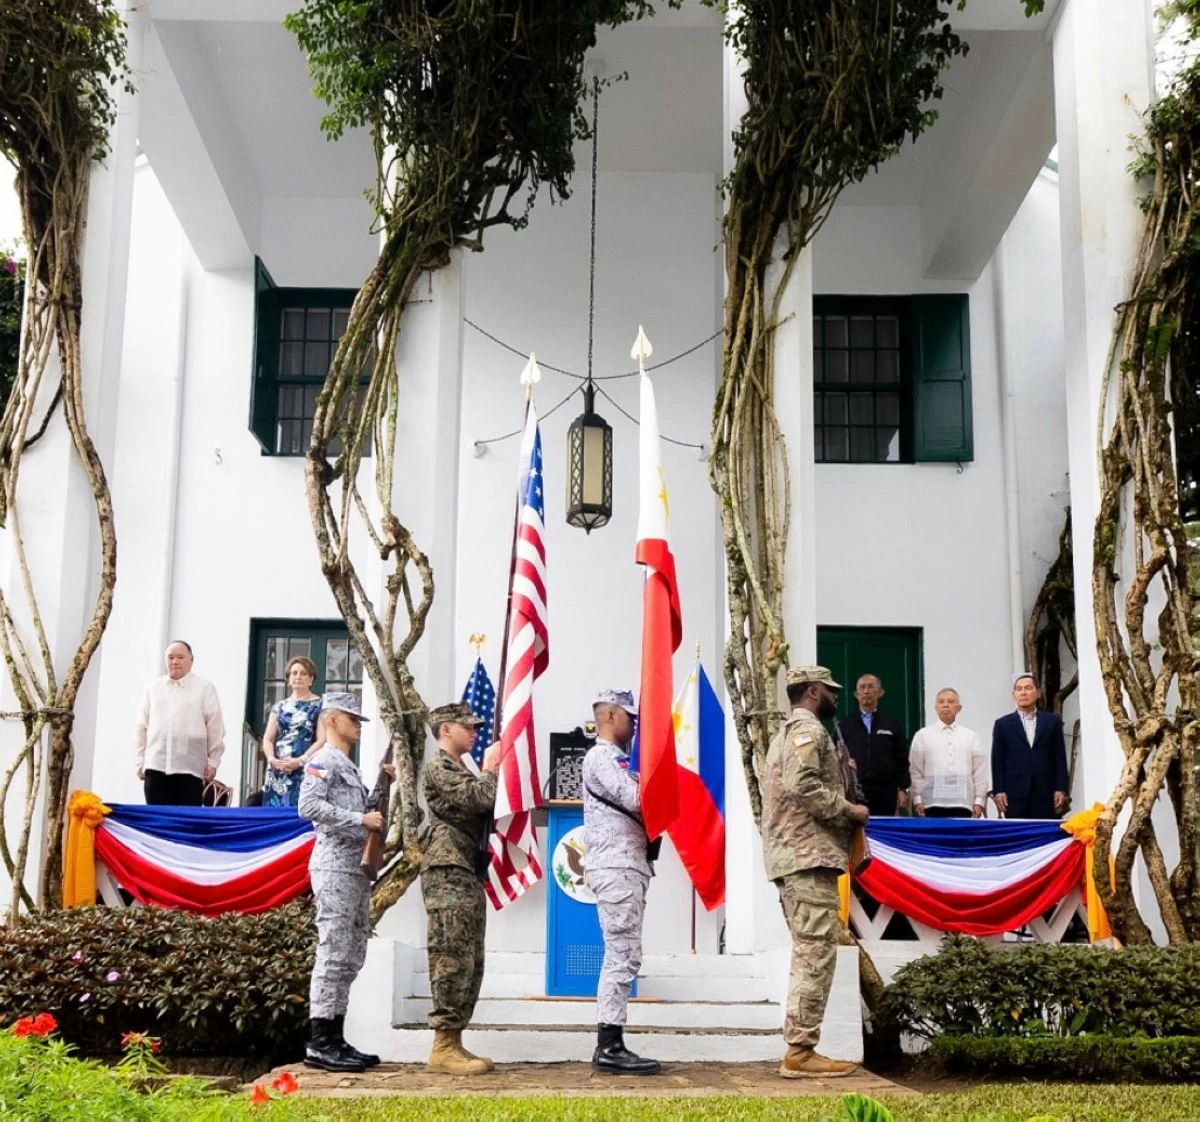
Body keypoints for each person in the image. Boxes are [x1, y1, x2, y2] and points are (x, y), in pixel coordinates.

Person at [763, 666, 868, 1079]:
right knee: (815, 954)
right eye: (829, 690)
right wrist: (849, 810)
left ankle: (801, 1046)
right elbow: (802, 784)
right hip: (806, 857)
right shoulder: (808, 732)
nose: (836, 697)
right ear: (811, 692)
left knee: (811, 951)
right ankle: (801, 1051)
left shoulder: (787, 733)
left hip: (797, 856)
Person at [298, 691, 393, 1073]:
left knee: (352, 953)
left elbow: (366, 809)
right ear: (332, 719)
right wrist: (359, 821)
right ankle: (320, 1040)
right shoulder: (323, 760)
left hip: (355, 868)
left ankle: (335, 1036)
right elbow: (308, 807)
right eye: (352, 718)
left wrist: (383, 787)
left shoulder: (347, 766)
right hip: (334, 866)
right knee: (333, 951)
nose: (357, 725)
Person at [582, 688, 660, 1076]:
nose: (635, 724)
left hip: (627, 865)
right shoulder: (602, 757)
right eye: (630, 716)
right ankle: (609, 1045)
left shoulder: (618, 758)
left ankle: (611, 1042)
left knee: (625, 953)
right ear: (611, 716)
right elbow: (637, 798)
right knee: (621, 954)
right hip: (616, 866)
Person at [421, 700, 502, 1076]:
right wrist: (490, 769)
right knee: (450, 954)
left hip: (465, 867)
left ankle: (454, 1039)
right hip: (447, 867)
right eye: (466, 726)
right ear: (445, 729)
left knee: (470, 957)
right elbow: (481, 798)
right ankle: (443, 1045)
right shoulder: (438, 766)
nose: (474, 731)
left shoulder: (457, 766)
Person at [135, 640, 225, 807]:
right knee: (157, 819)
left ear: (191, 660)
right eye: (170, 657)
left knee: (186, 820)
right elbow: (142, 726)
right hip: (156, 764)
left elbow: (215, 727)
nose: (175, 662)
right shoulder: (153, 688)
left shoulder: (204, 688)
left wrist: (213, 761)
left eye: (180, 657)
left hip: (190, 767)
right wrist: (140, 759)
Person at [992, 673, 1069, 819]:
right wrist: (999, 791)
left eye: (1028, 688)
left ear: (1038, 693)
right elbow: (998, 760)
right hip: (1014, 793)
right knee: (1017, 836)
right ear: (1013, 695)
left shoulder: (1052, 722)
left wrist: (1061, 788)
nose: (1023, 692)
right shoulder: (1003, 725)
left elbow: (1059, 756)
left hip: (1046, 791)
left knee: (1044, 834)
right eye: (1019, 689)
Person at [836, 674, 910, 817]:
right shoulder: (844, 725)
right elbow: (834, 757)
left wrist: (902, 788)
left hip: (886, 791)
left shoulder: (892, 724)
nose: (866, 691)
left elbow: (901, 758)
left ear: (880, 693)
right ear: (856, 694)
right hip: (853, 791)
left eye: (871, 687)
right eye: (862, 688)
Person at [909, 688, 989, 818]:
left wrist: (978, 801)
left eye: (950, 701)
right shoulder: (922, 736)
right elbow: (916, 770)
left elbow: (979, 771)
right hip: (931, 803)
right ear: (936, 707)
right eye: (941, 702)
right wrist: (917, 798)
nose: (945, 705)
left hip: (963, 803)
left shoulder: (971, 736)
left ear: (959, 708)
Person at [262, 656, 324, 807]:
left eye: (303, 673)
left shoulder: (320, 705)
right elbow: (268, 739)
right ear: (288, 679)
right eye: (294, 673)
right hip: (278, 771)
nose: (298, 677)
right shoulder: (279, 706)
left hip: (307, 769)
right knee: (274, 815)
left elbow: (323, 740)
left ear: (311, 679)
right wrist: (272, 760)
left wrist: (300, 761)